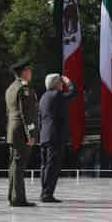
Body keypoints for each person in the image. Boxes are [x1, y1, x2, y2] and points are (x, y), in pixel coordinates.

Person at [39, 74, 76, 203]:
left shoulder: (43, 97)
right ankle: (47, 194)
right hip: (55, 137)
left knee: (45, 166)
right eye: (60, 82)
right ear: (55, 84)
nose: (62, 84)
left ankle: (44, 192)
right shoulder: (57, 94)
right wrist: (68, 81)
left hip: (44, 135)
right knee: (52, 166)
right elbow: (72, 93)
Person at [5, 59, 38, 207]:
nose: (30, 73)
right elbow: (27, 114)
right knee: (19, 166)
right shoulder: (24, 89)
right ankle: (18, 198)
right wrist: (30, 134)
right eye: (29, 70)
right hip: (21, 132)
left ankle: (13, 196)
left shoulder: (11, 88)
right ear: (24, 72)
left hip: (13, 131)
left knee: (14, 164)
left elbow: (9, 112)